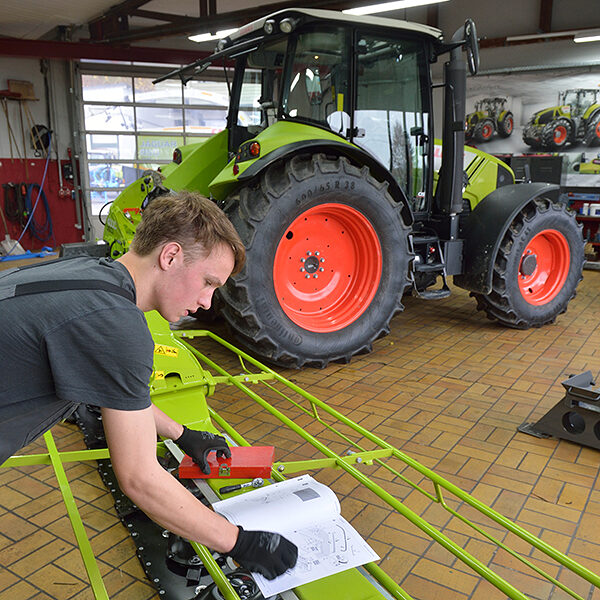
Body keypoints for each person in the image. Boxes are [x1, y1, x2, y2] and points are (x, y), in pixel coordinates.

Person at [0, 190, 298, 580]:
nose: (208, 302)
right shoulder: (118, 325)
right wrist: (239, 542)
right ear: (170, 256)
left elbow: (122, 394)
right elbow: (139, 477)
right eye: (208, 282)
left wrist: (184, 434)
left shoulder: (90, 278)